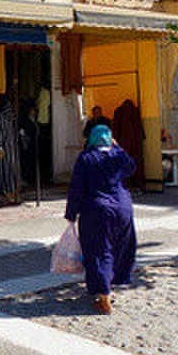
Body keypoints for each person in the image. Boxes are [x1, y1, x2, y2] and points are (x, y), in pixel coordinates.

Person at [64, 125, 138, 315]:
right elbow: (132, 166)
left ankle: (104, 297)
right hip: (123, 209)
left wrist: (71, 213)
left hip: (97, 211)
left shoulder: (86, 158)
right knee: (117, 248)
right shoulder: (118, 156)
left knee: (99, 251)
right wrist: (118, 148)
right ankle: (110, 285)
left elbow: (77, 188)